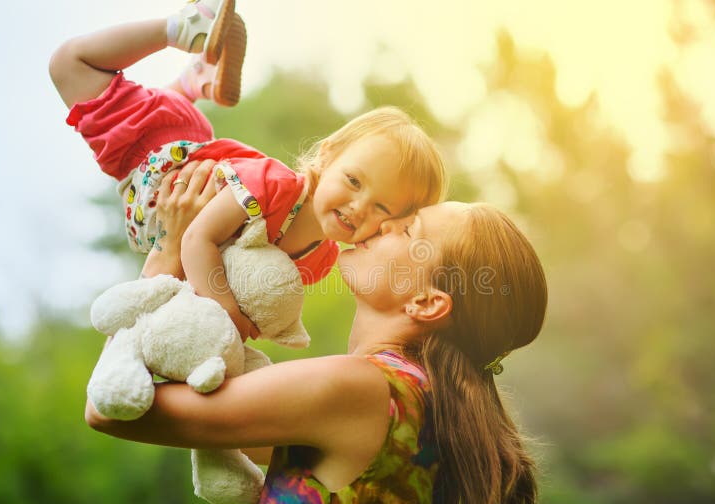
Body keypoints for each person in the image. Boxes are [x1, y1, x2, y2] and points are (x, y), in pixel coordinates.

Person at [86, 162, 548, 504]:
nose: (385, 225)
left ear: (426, 302)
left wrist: (169, 252)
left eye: (409, 232)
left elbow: (111, 407)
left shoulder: (360, 390)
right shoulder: (422, 407)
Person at [49, 0, 446, 339]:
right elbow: (196, 241)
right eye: (354, 181)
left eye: (382, 208)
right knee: (69, 63)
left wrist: (234, 328)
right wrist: (228, 319)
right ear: (326, 157)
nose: (360, 207)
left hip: (168, 181)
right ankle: (186, 29)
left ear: (393, 226)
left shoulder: (319, 262)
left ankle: (195, 82)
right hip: (152, 152)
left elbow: (250, 294)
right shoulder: (272, 186)